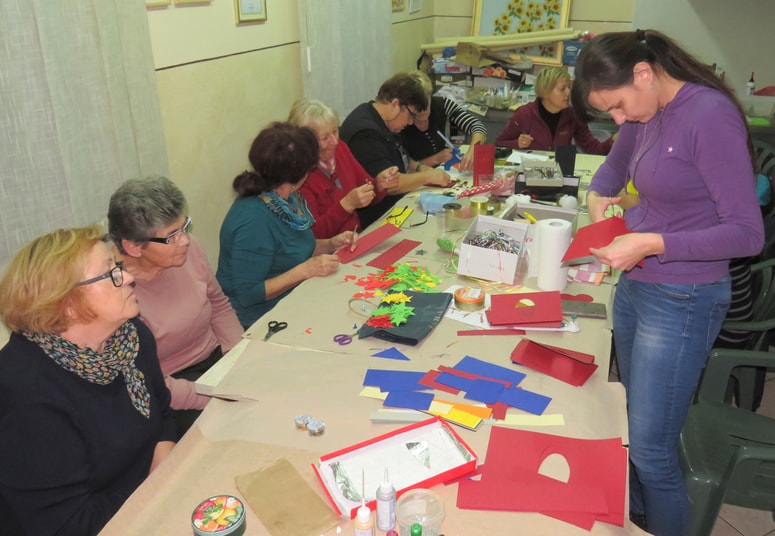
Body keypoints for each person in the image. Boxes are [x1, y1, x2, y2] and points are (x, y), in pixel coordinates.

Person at [571, 29, 764, 536]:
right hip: (638, 286)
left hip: (684, 297)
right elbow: (611, 170)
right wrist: (597, 201)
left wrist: (653, 242)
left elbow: (747, 234)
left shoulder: (708, 115)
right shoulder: (645, 111)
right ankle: (637, 517)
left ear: (643, 73)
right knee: (635, 421)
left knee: (652, 450)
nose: (618, 119)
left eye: (617, 106)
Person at [0, 226, 176, 535]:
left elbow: (162, 411)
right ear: (66, 304)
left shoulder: (130, 338)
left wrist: (164, 459)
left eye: (118, 266)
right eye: (111, 274)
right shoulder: (28, 394)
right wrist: (152, 484)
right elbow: (68, 525)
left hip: (151, 494)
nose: (129, 277)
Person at [108, 176, 244, 437]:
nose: (185, 240)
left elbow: (219, 305)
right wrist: (215, 396)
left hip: (216, 361)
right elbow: (149, 381)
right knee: (230, 434)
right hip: (170, 389)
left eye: (184, 227)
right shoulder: (114, 291)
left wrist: (238, 357)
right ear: (133, 247)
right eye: (172, 236)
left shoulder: (189, 252)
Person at [217, 122, 355, 328]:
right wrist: (305, 271)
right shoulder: (254, 220)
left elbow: (293, 247)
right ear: (296, 177)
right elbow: (249, 294)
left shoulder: (286, 196)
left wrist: (330, 244)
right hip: (260, 320)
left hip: (295, 297)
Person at [340, 72, 453, 228]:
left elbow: (401, 157)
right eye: (411, 115)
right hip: (376, 219)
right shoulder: (365, 134)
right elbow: (390, 185)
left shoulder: (385, 121)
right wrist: (428, 176)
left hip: (396, 207)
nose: (411, 122)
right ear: (395, 105)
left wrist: (419, 168)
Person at [287, 98, 399, 237]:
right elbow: (313, 236)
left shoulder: (340, 149)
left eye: (335, 131)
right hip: (329, 248)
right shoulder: (298, 175)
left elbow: (368, 189)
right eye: (325, 138)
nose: (335, 141)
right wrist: (347, 205)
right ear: (305, 142)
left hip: (356, 239)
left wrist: (379, 185)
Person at [496, 66, 614, 154]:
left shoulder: (573, 115)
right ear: (545, 91)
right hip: (529, 172)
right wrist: (517, 143)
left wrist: (613, 140)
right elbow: (499, 143)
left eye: (569, 87)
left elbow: (594, 148)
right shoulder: (525, 113)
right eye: (562, 89)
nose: (568, 93)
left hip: (558, 172)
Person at [401, 70, 487, 171]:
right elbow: (403, 168)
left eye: (425, 103)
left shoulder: (442, 104)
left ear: (430, 96)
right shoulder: (401, 121)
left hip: (441, 171)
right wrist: (435, 159)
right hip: (416, 176)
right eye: (416, 107)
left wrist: (473, 151)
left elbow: (477, 126)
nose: (422, 110)